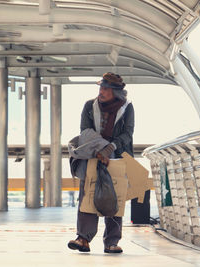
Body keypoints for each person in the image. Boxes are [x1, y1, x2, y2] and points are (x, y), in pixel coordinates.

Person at [67, 72, 135, 254]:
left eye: (106, 88)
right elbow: (85, 130)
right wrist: (100, 148)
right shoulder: (90, 106)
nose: (101, 91)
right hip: (92, 155)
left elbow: (127, 134)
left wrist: (110, 148)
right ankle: (83, 238)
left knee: (115, 199)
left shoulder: (127, 108)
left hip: (117, 158)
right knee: (87, 196)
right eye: (101, 87)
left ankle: (112, 241)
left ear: (115, 92)